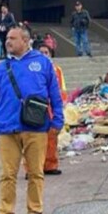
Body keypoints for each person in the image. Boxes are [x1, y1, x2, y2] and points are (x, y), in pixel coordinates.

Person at [0, 27, 64, 214]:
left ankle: (35, 213)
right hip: (7, 128)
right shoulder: (3, 68)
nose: (7, 42)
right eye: (7, 38)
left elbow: (54, 93)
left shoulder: (43, 63)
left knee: (36, 173)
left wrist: (58, 118)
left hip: (36, 127)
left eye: (12, 38)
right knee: (8, 175)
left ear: (25, 40)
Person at [33, 42, 67, 176]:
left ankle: (50, 165)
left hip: (51, 108)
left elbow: (61, 89)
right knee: (33, 139)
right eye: (40, 53)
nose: (43, 55)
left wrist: (61, 105)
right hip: (35, 107)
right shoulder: (31, 69)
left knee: (52, 137)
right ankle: (32, 168)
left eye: (46, 53)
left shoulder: (56, 69)